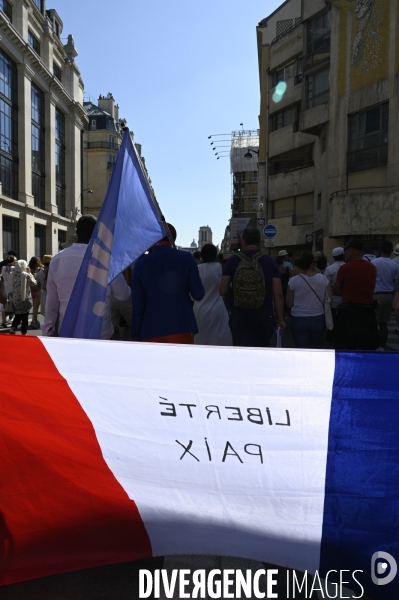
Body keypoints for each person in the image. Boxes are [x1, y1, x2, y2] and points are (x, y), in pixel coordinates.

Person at [131, 223, 205, 343]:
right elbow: (198, 294)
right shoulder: (187, 258)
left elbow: (138, 304)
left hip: (150, 330)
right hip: (182, 327)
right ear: (173, 238)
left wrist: (135, 332)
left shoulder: (141, 264)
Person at [220, 227, 285, 347]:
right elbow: (278, 294)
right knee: (261, 350)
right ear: (259, 241)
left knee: (241, 352)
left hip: (239, 314)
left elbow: (222, 290)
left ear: (243, 241)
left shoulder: (232, 260)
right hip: (263, 314)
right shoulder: (270, 261)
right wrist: (280, 319)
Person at [42, 215, 97, 336]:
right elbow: (121, 295)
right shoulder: (103, 259)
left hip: (67, 330)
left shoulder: (58, 259)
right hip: (98, 331)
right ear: (96, 232)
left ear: (76, 232)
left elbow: (52, 300)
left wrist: (48, 329)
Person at [333, 238, 379, 350]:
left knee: (348, 346)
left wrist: (347, 293)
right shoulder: (371, 267)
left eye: (346, 249)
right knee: (366, 346)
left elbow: (337, 289)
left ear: (351, 250)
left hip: (350, 313)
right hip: (368, 312)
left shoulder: (345, 268)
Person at [286, 252, 331, 349]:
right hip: (318, 316)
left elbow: (289, 303)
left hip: (298, 318)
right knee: (315, 349)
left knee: (301, 349)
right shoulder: (323, 279)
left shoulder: (294, 280)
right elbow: (329, 298)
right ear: (313, 264)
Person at [193, 243, 232, 346]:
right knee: (219, 343)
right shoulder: (219, 268)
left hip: (199, 311)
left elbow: (191, 294)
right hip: (218, 311)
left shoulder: (196, 269)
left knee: (201, 343)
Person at [371, 240, 399, 350]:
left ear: (380, 250)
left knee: (373, 322)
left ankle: (373, 344)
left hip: (376, 294)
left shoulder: (374, 262)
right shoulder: (394, 265)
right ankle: (382, 346)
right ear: (391, 251)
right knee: (384, 323)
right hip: (388, 295)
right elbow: (395, 280)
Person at [8, 260, 37, 335]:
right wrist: (29, 273)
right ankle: (23, 331)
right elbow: (34, 283)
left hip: (15, 298)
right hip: (25, 298)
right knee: (25, 316)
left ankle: (13, 328)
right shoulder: (25, 275)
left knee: (18, 314)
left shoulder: (12, 274)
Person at [324, 247, 345, 334]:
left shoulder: (329, 269)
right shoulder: (347, 266)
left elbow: (326, 284)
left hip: (334, 299)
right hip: (346, 298)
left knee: (333, 320)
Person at [28, 256, 43, 329]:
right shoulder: (40, 270)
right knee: (36, 307)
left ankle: (32, 320)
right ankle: (34, 320)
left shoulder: (29, 270)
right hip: (38, 290)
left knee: (31, 306)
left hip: (31, 290)